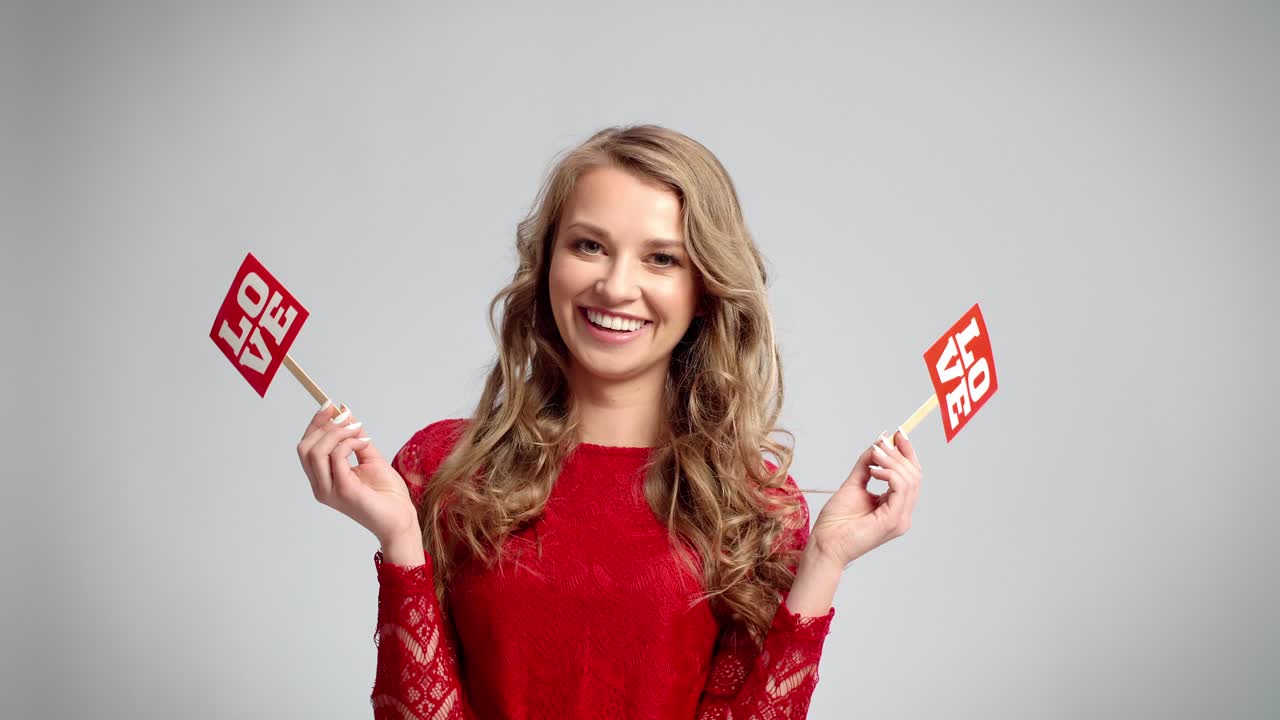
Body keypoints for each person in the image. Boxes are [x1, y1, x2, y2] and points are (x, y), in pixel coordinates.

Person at [295, 124, 924, 719]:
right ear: (547, 264)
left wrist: (824, 563)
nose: (617, 287)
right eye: (589, 245)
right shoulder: (442, 468)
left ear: (703, 288)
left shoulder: (752, 506)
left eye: (661, 259)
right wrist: (402, 545)